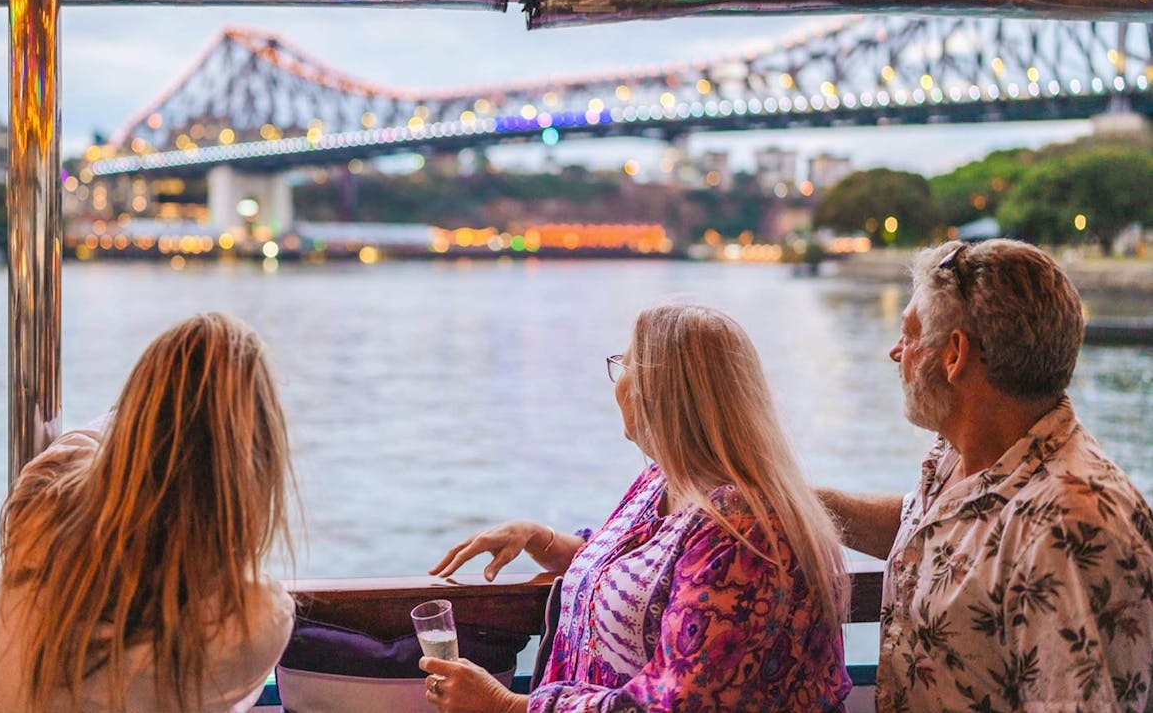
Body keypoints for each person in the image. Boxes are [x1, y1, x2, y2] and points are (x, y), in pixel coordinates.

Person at [421, 304, 852, 713]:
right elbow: (641, 572)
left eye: (624, 366)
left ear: (663, 396)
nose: (618, 382)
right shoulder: (665, 479)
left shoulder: (743, 531)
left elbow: (678, 704)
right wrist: (543, 540)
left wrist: (503, 705)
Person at [820, 239, 1153, 712]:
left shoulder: (1064, 529)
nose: (897, 352)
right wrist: (797, 502)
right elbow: (940, 539)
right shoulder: (967, 455)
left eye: (911, 334)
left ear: (955, 355)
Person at [0, 312, 300, 713]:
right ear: (257, 464)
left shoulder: (43, 502)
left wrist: (157, 403)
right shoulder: (254, 618)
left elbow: (96, 443)